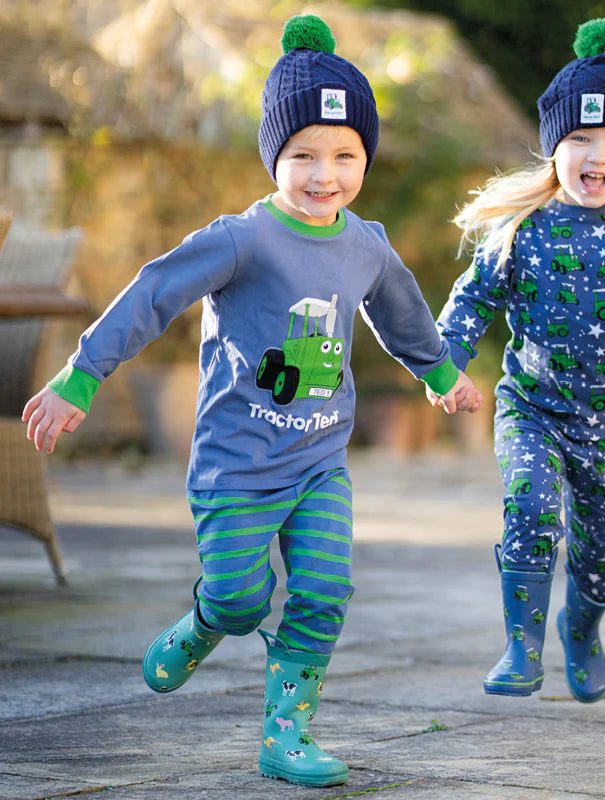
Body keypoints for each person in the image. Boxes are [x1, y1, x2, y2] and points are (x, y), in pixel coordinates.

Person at [23, 15, 481, 788]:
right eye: (302, 155)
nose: (323, 174)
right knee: (241, 599)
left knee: (326, 588)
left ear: (366, 157)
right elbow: (153, 293)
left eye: (344, 155)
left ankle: (286, 734)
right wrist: (81, 375)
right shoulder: (243, 239)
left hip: (317, 464)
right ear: (275, 155)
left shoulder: (365, 244)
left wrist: (439, 374)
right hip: (237, 464)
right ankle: (208, 620)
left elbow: (401, 311)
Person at [429, 18, 605, 702]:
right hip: (530, 406)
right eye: (582, 139)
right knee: (528, 503)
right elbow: (471, 302)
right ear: (553, 148)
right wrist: (441, 364)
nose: (600, 154)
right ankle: (521, 648)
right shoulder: (520, 228)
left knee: (597, 556)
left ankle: (581, 630)